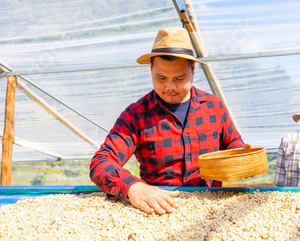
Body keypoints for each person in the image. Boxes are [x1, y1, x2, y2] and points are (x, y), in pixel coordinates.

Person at [90, 27, 248, 215]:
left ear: (193, 69)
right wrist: (133, 187)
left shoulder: (214, 107)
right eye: (161, 78)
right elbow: (101, 161)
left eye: (180, 78)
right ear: (151, 69)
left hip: (210, 209)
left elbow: (234, 143)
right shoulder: (136, 115)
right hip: (158, 210)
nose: (170, 87)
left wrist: (239, 156)